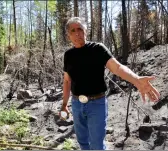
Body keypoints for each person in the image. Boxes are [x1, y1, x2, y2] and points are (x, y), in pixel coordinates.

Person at [60, 17, 160, 150]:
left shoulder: (97, 49)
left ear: (86, 31)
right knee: (83, 142)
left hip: (96, 104)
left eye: (80, 29)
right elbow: (67, 80)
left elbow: (117, 68)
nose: (77, 33)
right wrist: (64, 104)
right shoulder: (69, 55)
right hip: (77, 104)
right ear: (68, 35)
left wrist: (136, 80)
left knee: (97, 145)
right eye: (73, 30)